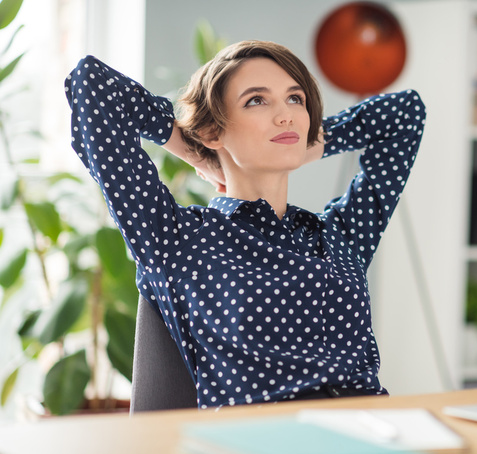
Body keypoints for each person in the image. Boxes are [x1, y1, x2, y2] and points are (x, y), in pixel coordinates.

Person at [65, 40, 426, 409]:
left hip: (372, 430)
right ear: (213, 131)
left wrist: (307, 144)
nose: (285, 115)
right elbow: (90, 85)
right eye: (257, 100)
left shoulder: (338, 237)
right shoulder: (174, 239)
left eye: (295, 99)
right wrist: (192, 149)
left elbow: (405, 115)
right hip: (259, 442)